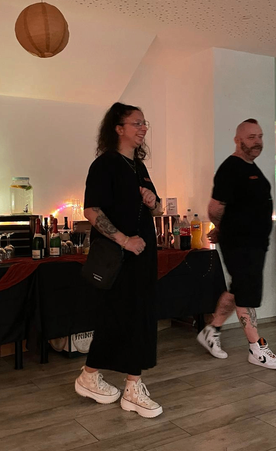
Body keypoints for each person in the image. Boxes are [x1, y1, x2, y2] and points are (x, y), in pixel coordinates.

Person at [75, 102, 164, 418]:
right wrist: (125, 241)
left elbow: (157, 208)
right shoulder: (105, 165)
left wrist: (153, 202)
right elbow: (91, 211)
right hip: (119, 257)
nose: (143, 128)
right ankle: (131, 387)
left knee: (134, 317)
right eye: (137, 123)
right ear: (118, 128)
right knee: (126, 318)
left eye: (144, 122)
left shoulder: (138, 167)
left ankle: (94, 377)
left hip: (142, 256)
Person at [197, 118, 276, 370]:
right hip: (240, 244)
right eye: (251, 137)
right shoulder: (231, 168)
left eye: (260, 136)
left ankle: (211, 331)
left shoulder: (252, 167)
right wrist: (223, 229)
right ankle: (256, 348)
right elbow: (214, 208)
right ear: (238, 140)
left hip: (254, 244)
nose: (257, 142)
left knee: (238, 289)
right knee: (246, 294)